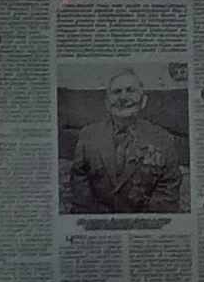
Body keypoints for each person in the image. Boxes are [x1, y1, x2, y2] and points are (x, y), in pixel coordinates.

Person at [62, 67, 185, 214]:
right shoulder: (88, 135)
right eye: (116, 92)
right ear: (107, 103)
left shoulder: (163, 139)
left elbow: (168, 191)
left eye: (130, 90)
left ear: (143, 101)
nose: (123, 97)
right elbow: (80, 185)